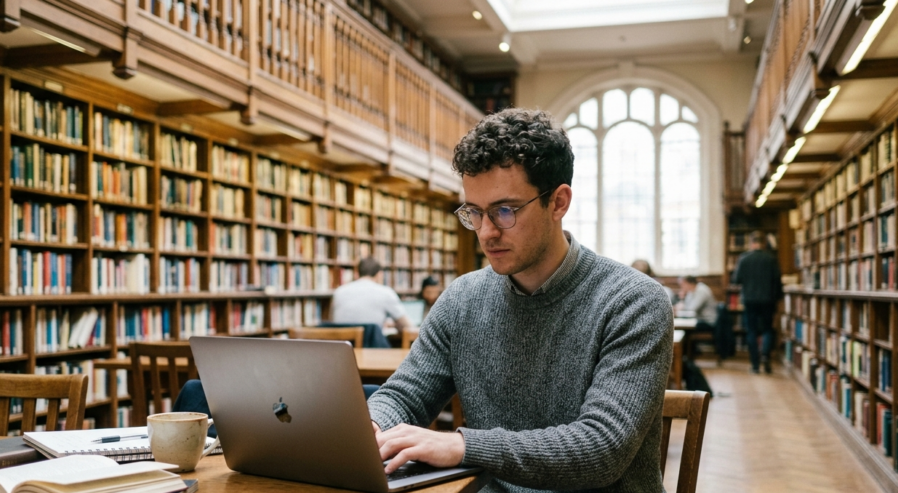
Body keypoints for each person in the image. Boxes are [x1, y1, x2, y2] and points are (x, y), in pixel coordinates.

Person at [368, 108, 673, 491]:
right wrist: (372, 425)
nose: (486, 232)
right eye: (474, 213)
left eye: (504, 211)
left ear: (558, 202)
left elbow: (602, 448)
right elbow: (406, 394)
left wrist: (463, 446)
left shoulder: (634, 301)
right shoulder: (462, 299)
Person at [731, 232, 783, 374]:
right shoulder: (771, 259)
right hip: (768, 300)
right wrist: (778, 299)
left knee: (752, 331)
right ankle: (765, 355)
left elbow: (736, 280)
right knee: (767, 329)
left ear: (751, 243)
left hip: (750, 300)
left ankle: (755, 364)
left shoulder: (744, 258)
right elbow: (777, 281)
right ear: (764, 243)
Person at [331, 257, 411, 333]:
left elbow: (332, 321)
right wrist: (394, 325)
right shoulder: (385, 292)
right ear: (379, 274)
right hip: (370, 342)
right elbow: (407, 326)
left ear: (357, 273)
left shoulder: (338, 292)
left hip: (343, 342)